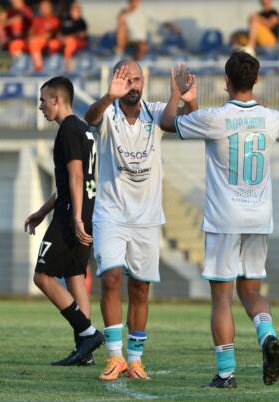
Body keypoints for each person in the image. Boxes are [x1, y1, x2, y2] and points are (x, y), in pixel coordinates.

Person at [159, 52, 279, 389]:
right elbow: (277, 131)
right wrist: (194, 104)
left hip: (225, 219)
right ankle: (267, 334)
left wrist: (178, 95)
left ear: (226, 81)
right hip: (259, 218)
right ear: (256, 80)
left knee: (222, 298)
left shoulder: (215, 117)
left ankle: (226, 374)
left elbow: (168, 122)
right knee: (252, 290)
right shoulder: (273, 118)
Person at [83, 60, 197, 381]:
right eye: (126, 79)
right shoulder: (108, 112)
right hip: (111, 213)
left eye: (136, 79)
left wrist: (186, 99)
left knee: (140, 288)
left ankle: (135, 360)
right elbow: (89, 117)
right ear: (115, 81)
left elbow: (182, 123)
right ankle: (115, 356)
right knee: (110, 278)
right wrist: (109, 95)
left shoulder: (156, 111)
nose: (132, 85)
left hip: (146, 217)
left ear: (144, 81)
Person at [25, 76, 104, 367]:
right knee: (74, 277)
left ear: (57, 100)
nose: (40, 106)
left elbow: (76, 177)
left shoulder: (68, 130)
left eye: (43, 100)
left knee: (42, 276)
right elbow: (71, 182)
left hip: (73, 215)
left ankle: (88, 334)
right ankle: (85, 352)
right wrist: (43, 211)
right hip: (86, 210)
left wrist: (75, 219)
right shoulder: (84, 129)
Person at [116, 0, 181, 61]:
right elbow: (121, 30)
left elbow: (160, 21)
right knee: (122, 26)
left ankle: (133, 62)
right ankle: (122, 54)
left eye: (136, 1)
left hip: (140, 42)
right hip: (128, 42)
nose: (134, 3)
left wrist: (171, 26)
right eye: (132, 1)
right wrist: (124, 15)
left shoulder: (144, 11)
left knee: (142, 47)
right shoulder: (123, 13)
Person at [17, 0, 60, 72]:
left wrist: (36, 38)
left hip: (48, 42)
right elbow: (31, 31)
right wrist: (30, 37)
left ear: (50, 8)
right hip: (34, 41)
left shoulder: (54, 19)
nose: (43, 9)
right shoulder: (37, 19)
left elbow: (49, 35)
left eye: (45, 7)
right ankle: (19, 68)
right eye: (42, 7)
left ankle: (39, 69)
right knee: (16, 44)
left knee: (34, 43)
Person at [53, 1, 88, 72]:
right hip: (63, 40)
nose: (74, 12)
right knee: (52, 44)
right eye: (73, 10)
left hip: (76, 42)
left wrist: (70, 37)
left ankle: (67, 65)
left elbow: (83, 34)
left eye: (77, 11)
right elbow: (59, 31)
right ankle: (53, 63)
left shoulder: (82, 22)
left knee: (70, 42)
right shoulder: (66, 20)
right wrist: (60, 37)